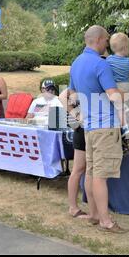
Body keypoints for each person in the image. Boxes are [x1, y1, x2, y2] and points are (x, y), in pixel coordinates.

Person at [68, 25, 129, 233]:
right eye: (106, 41)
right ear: (99, 40)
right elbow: (112, 94)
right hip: (105, 127)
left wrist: (77, 115)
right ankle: (105, 221)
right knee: (100, 176)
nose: (107, 45)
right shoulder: (100, 64)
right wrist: (123, 99)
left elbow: (71, 95)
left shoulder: (76, 63)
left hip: (89, 128)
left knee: (92, 173)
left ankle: (94, 214)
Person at [58, 88, 89, 219]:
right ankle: (73, 207)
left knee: (86, 170)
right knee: (78, 169)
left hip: (88, 129)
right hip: (82, 130)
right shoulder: (78, 81)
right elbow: (62, 96)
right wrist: (76, 115)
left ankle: (87, 206)